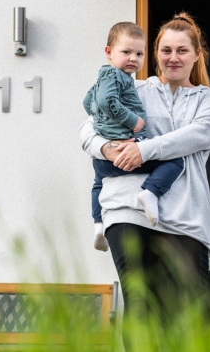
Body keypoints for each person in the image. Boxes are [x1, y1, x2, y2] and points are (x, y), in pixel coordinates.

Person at [79, 12, 210, 322]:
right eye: (166, 50)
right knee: (141, 306)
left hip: (187, 217)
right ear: (155, 54)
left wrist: (142, 150)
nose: (173, 58)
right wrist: (107, 148)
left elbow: (192, 137)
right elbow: (88, 130)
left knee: (189, 316)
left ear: (197, 54)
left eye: (182, 50)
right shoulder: (135, 89)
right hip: (129, 209)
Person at [83, 22, 185, 252]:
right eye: (126, 52)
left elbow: (88, 102)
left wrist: (100, 124)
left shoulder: (104, 77)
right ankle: (150, 192)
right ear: (109, 52)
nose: (133, 58)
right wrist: (133, 122)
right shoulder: (117, 78)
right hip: (124, 149)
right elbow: (104, 102)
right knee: (176, 161)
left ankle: (98, 224)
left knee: (98, 183)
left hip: (104, 161)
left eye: (139, 54)